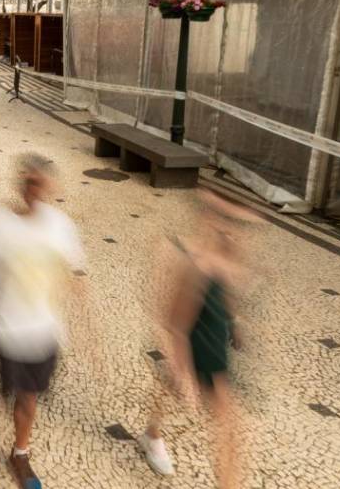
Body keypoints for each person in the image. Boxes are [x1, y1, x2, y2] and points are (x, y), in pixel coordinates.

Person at [0, 154, 85, 488]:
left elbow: (75, 274)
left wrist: (88, 329)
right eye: (28, 181)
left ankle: (19, 452)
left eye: (40, 182)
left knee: (28, 397)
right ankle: (19, 441)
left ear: (51, 187)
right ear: (20, 184)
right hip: (7, 331)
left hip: (45, 333)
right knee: (20, 394)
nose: (33, 189)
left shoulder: (62, 227)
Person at [137, 189, 256, 489]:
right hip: (196, 341)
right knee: (227, 427)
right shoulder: (194, 262)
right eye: (226, 220)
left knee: (223, 423)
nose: (236, 231)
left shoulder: (227, 255)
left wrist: (235, 322)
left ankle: (152, 434)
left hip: (215, 338)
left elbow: (228, 294)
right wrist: (182, 370)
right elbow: (175, 324)